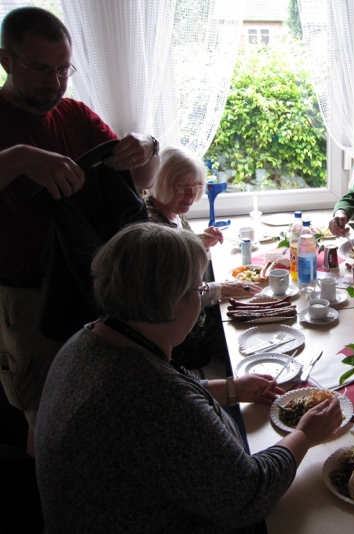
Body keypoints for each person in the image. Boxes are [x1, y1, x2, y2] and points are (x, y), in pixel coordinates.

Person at [35, 222, 343, 532]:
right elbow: (248, 496)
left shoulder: (90, 339)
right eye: (198, 289)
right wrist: (306, 434)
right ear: (172, 299)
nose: (201, 299)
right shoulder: (154, 400)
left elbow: (161, 391)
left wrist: (229, 388)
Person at [0, 6, 159, 455]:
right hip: (29, 296)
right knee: (46, 418)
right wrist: (18, 159)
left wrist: (147, 145)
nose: (54, 82)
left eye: (63, 70)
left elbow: (143, 179)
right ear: (6, 60)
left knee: (99, 408)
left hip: (92, 288)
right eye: (39, 69)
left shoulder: (74, 115)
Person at [147, 146, 261, 301]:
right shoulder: (154, 228)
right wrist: (222, 288)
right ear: (162, 183)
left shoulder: (173, 212)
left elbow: (183, 260)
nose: (191, 194)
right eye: (182, 186)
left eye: (196, 186)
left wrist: (202, 244)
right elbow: (179, 291)